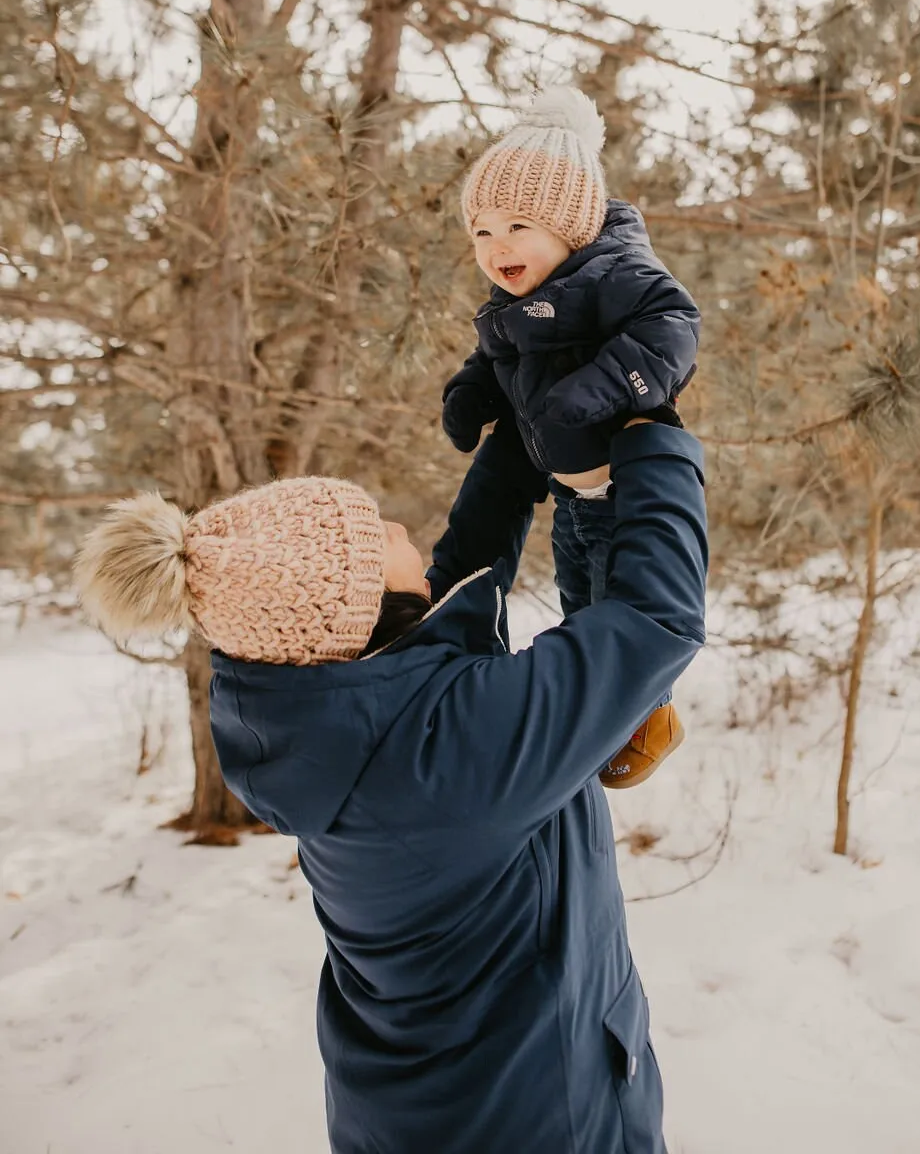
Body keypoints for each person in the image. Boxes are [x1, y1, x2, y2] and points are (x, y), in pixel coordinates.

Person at [74, 414, 708, 1154]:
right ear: (361, 612)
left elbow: (452, 595)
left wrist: (516, 434)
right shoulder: (448, 760)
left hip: (433, 1109)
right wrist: (649, 435)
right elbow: (656, 622)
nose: (401, 526)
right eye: (377, 534)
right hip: (536, 1121)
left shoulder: (331, 725)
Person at [443, 85, 701, 786]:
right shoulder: (512, 303)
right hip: (571, 494)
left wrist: (601, 389)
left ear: (573, 225)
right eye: (482, 233)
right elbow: (495, 358)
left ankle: (652, 719)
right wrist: (471, 393)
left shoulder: (616, 274)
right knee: (580, 605)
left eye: (519, 226)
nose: (498, 248)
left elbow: (672, 331)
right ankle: (606, 721)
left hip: (625, 489)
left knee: (624, 609)